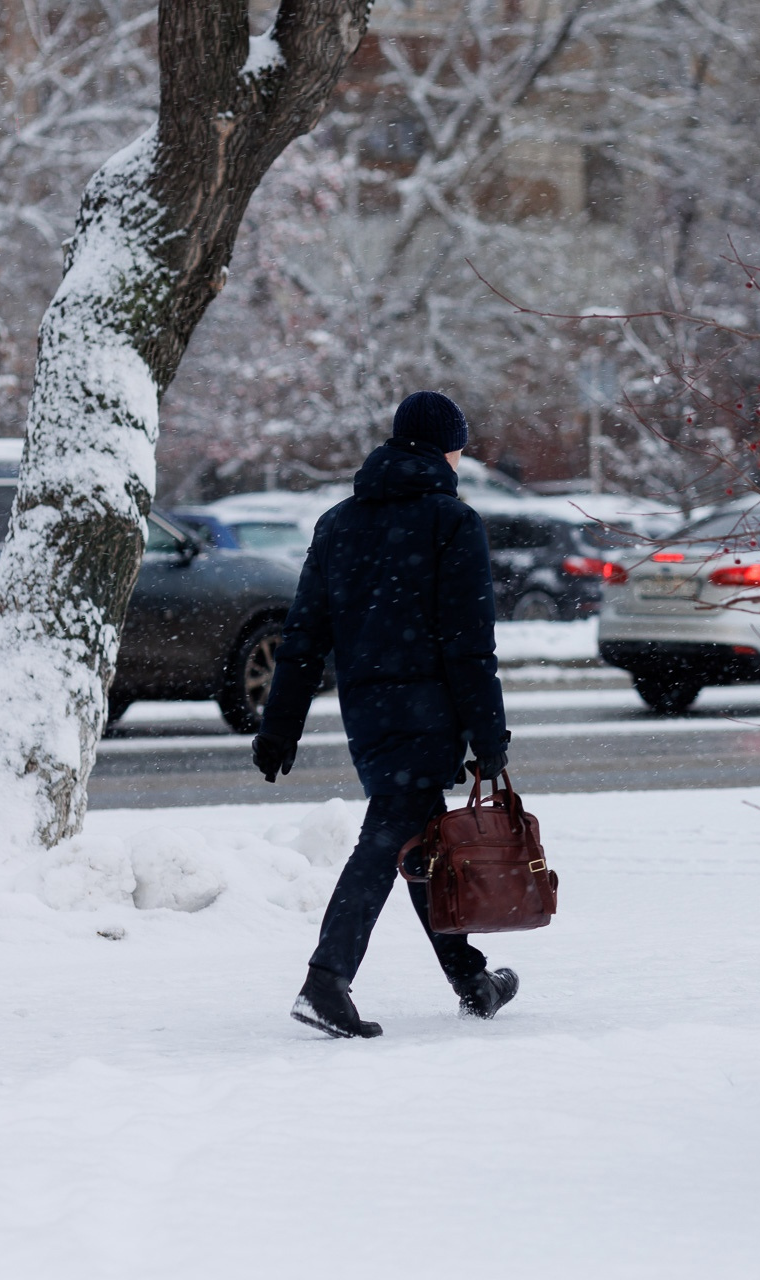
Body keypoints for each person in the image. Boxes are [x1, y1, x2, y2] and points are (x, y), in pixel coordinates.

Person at [252, 390, 518, 1039]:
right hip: (429, 711)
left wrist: (279, 724)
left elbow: (303, 636)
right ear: (445, 449)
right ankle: (326, 980)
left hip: (368, 711)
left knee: (420, 843)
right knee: (387, 842)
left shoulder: (339, 523)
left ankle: (470, 980)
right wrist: (488, 734)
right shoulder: (452, 522)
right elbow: (469, 644)